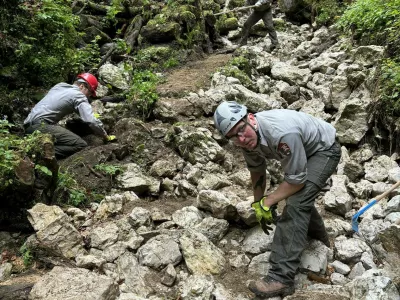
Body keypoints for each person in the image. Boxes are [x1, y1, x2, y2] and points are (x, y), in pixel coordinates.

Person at [213, 101, 341, 298]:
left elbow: (296, 182)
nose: (241, 139)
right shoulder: (247, 140)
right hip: (303, 148)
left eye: (241, 130)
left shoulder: (281, 133)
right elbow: (257, 171)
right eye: (233, 137)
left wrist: (268, 201)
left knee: (297, 201)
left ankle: (281, 278)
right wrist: (258, 203)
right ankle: (320, 240)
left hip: (324, 150)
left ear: (251, 118)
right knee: (299, 199)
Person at [23, 73, 115, 159]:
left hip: (28, 125)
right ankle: (38, 153)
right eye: (90, 92)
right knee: (80, 145)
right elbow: (90, 120)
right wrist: (105, 135)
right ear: (82, 86)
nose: (89, 96)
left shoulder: (59, 86)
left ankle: (34, 146)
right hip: (41, 125)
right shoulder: (79, 95)